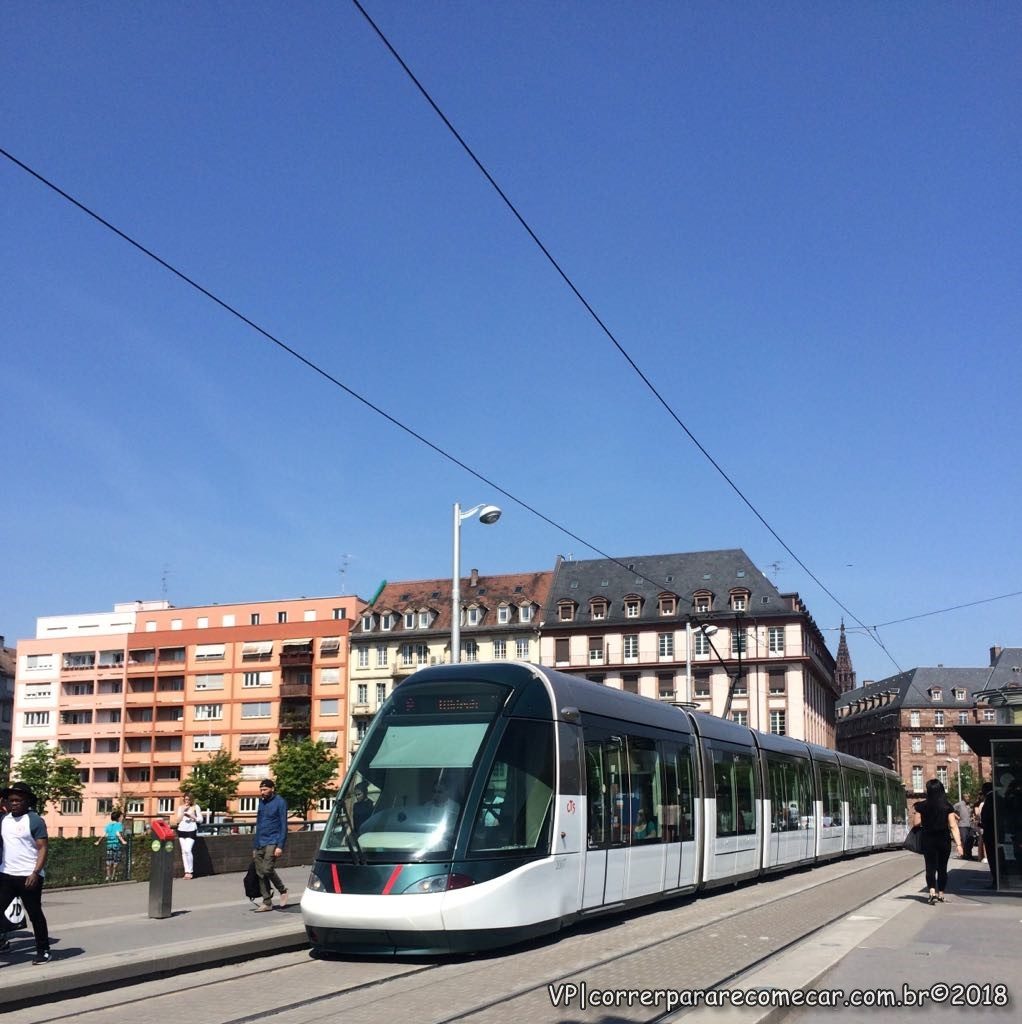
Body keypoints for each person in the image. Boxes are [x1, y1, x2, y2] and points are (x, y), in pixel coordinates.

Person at [0, 782, 51, 964]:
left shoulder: (34, 820)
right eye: (11, 800)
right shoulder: (4, 820)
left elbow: (43, 848)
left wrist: (35, 872)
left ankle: (43, 950)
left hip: (29, 876)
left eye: (18, 800)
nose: (14, 803)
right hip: (6, 875)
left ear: (27, 801)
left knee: (34, 913)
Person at [913, 778, 963, 905]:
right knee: (942, 868)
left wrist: (925, 818)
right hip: (943, 840)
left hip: (928, 839)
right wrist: (959, 844)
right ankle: (941, 894)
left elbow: (916, 823)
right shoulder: (947, 806)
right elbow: (953, 826)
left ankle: (931, 892)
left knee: (930, 867)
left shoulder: (921, 806)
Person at [252, 778, 288, 911]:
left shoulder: (280, 802)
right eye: (261, 790)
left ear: (272, 789)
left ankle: (282, 890)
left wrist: (280, 845)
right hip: (260, 841)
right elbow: (259, 824)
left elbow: (284, 825)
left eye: (265, 789)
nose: (262, 792)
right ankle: (267, 902)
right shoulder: (261, 803)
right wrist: (255, 846)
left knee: (267, 869)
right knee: (260, 872)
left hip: (273, 840)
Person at [175, 794, 204, 879]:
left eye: (188, 799)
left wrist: (192, 816)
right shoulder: (181, 807)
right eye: (185, 799)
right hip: (181, 830)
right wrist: (183, 812)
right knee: (184, 852)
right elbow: (177, 820)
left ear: (191, 800)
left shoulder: (195, 807)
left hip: (191, 830)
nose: (186, 801)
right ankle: (186, 871)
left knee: (188, 849)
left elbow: (201, 819)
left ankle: (190, 871)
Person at [94, 809, 127, 882]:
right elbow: (118, 833)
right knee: (116, 861)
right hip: (116, 844)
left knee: (108, 861)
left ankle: (107, 876)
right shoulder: (119, 825)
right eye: (121, 817)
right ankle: (113, 876)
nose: (122, 818)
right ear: (118, 818)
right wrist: (123, 841)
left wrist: (98, 841)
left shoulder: (108, 825)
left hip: (109, 844)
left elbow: (104, 834)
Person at [980, 781, 997, 889]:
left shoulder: (990, 800)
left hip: (991, 834)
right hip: (994, 832)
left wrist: (982, 823)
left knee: (992, 858)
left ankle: (996, 880)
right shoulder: (995, 798)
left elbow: (988, 816)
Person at [954, 796, 974, 860]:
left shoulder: (970, 805)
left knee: (971, 840)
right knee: (965, 841)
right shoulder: (959, 804)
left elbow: (972, 813)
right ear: (963, 797)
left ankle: (969, 855)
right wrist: (957, 817)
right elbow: (951, 810)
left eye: (969, 796)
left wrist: (973, 817)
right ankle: (965, 855)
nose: (968, 798)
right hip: (963, 825)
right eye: (966, 797)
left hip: (970, 825)